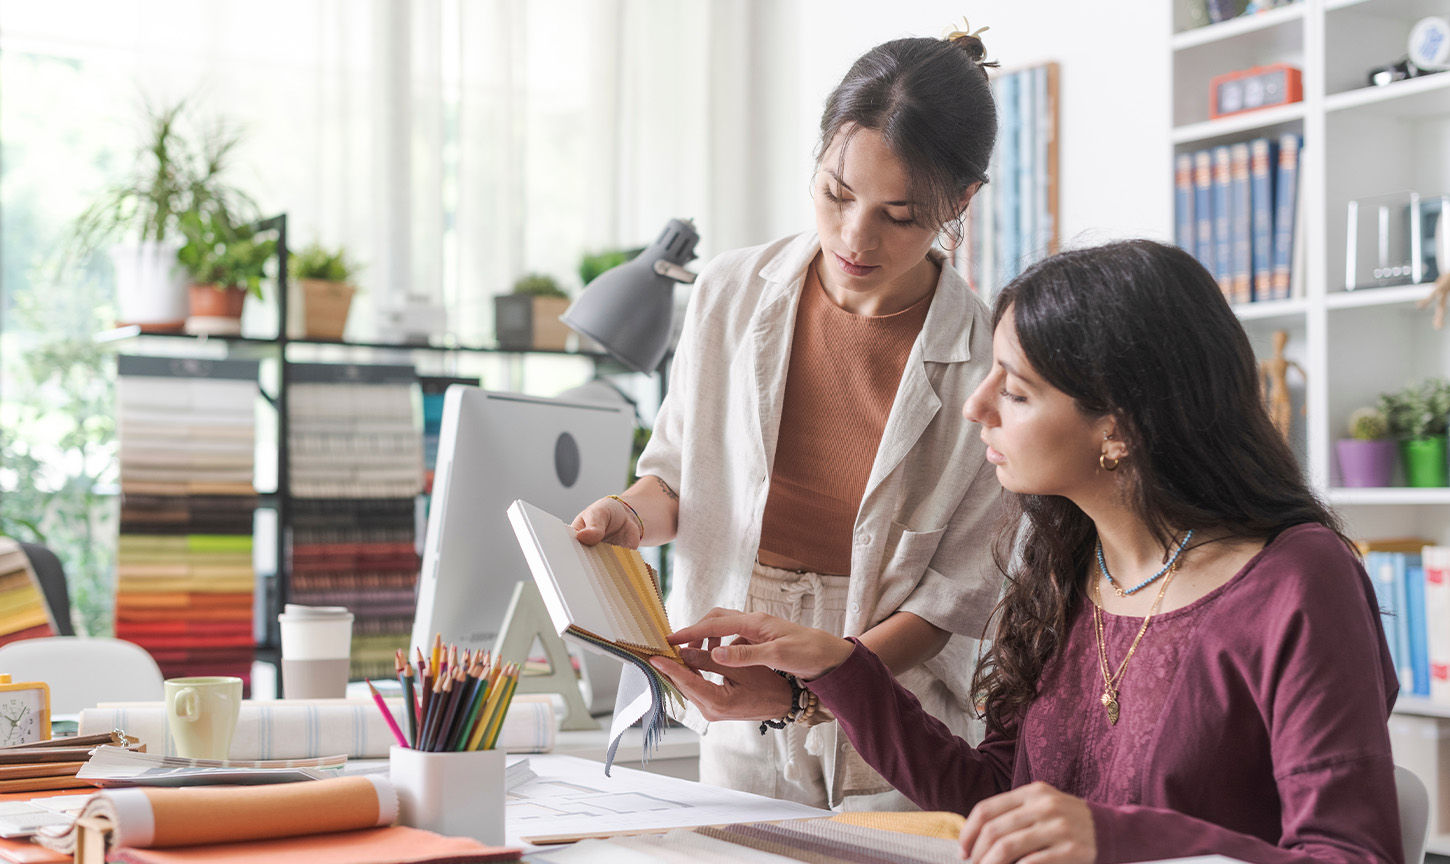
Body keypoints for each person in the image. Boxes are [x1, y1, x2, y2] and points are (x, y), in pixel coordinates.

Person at [651, 240, 1403, 864]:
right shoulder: (1064, 568)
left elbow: (1350, 854)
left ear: (1122, 426)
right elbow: (992, 798)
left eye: (1015, 390)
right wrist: (839, 670)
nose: (978, 406)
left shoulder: (1299, 582)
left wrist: (1113, 838)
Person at [571, 27, 1006, 810]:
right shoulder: (730, 293)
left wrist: (817, 688)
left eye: (899, 216)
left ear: (960, 201)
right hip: (736, 680)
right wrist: (624, 518)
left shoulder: (988, 362)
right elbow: (674, 478)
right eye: (838, 194)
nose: (854, 237)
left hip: (889, 703)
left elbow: (947, 602)